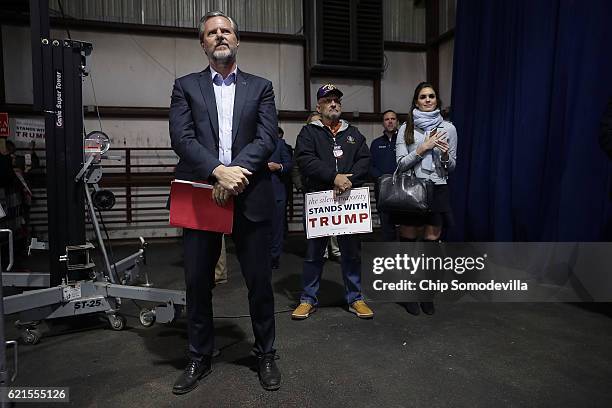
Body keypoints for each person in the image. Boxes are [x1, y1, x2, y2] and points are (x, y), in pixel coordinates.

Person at [169, 11, 280, 394]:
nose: (219, 36)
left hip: (250, 193)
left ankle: (266, 353)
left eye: (226, 31)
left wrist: (235, 175)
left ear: (237, 39)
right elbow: (181, 139)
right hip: (201, 193)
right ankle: (199, 355)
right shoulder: (185, 86)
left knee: (259, 282)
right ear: (203, 43)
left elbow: (267, 138)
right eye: (212, 32)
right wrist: (218, 170)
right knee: (197, 282)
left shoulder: (261, 87)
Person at [292, 84, 373, 319]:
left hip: (348, 199)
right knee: (314, 253)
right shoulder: (308, 133)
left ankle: (355, 298)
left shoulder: (353, 133)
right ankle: (308, 299)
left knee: (351, 252)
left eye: (336, 100)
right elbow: (305, 160)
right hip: (320, 200)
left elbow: (364, 159)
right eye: (328, 100)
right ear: (319, 106)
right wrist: (333, 177)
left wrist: (349, 180)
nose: (333, 103)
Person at [395, 82, 457, 316]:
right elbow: (400, 164)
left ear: (437, 101)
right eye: (423, 96)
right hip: (413, 189)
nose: (428, 99)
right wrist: (423, 147)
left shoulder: (449, 128)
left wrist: (442, 155)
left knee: (432, 245)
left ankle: (426, 294)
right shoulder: (405, 128)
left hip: (438, 188)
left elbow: (451, 167)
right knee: (409, 246)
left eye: (432, 96)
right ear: (416, 101)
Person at [370, 109, 399, 241]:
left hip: (401, 187)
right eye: (387, 119)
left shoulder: (404, 141)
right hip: (382, 189)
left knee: (404, 224)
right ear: (383, 123)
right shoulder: (376, 144)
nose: (390, 121)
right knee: (386, 224)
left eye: (393, 119)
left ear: (397, 122)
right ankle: (389, 254)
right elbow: (370, 165)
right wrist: (381, 178)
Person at [268, 126, 293, 269]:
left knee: (277, 227)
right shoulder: (252, 143)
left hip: (277, 191)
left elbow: (289, 164)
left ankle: (274, 257)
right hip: (257, 194)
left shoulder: (280, 144)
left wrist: (279, 166)